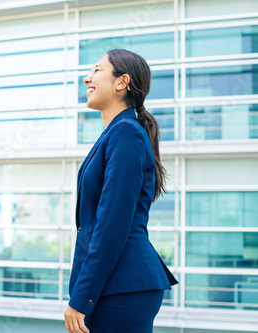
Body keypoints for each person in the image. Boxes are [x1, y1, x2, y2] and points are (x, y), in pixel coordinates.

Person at [64, 49, 178, 333]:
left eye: (97, 70)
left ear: (121, 82)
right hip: (115, 284)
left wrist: (82, 297)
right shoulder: (116, 132)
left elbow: (112, 223)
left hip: (122, 287)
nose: (86, 77)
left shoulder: (125, 132)